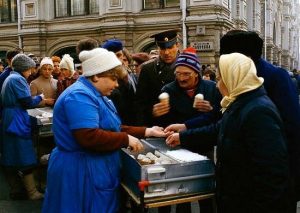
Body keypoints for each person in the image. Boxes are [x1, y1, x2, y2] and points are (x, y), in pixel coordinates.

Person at [42, 48, 166, 213]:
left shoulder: (95, 94)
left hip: (92, 167)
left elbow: (111, 127)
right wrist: (126, 139)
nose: (116, 85)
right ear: (96, 75)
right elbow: (88, 136)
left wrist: (147, 131)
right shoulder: (79, 96)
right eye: (113, 79)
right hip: (80, 172)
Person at [166, 53, 290, 213]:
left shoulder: (258, 112)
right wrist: (182, 136)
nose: (217, 85)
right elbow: (218, 129)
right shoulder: (240, 102)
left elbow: (272, 176)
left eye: (219, 79)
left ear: (234, 78)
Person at [219, 30, 300, 207]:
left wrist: (291, 179)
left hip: (271, 177)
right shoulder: (235, 81)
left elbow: (292, 127)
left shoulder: (274, 78)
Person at [0, 54, 53, 200]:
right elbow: (27, 102)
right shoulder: (18, 79)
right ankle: (32, 192)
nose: (30, 72)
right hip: (16, 119)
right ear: (24, 68)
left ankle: (18, 189)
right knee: (24, 154)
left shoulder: (10, 77)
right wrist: (40, 98)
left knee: (12, 154)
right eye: (29, 69)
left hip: (9, 117)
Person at [135, 29, 180, 126]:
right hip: (156, 127)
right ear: (158, 48)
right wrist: (152, 111)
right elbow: (140, 103)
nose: (167, 52)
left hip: (182, 127)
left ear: (177, 46)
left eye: (170, 47)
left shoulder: (188, 68)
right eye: (162, 48)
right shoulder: (148, 69)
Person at [102, 39, 138, 125]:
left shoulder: (129, 77)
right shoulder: (104, 78)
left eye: (119, 55)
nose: (117, 59)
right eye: (113, 56)